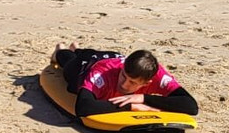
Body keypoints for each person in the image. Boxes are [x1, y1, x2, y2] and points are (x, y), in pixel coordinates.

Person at [52, 43, 198, 118]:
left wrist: (143, 98)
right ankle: (62, 50)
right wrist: (133, 106)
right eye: (123, 76)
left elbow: (191, 106)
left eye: (133, 82)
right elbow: (84, 107)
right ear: (122, 68)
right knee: (70, 62)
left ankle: (77, 48)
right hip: (87, 67)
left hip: (112, 57)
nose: (124, 84)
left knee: (89, 53)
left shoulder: (158, 76)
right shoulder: (101, 74)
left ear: (147, 83)